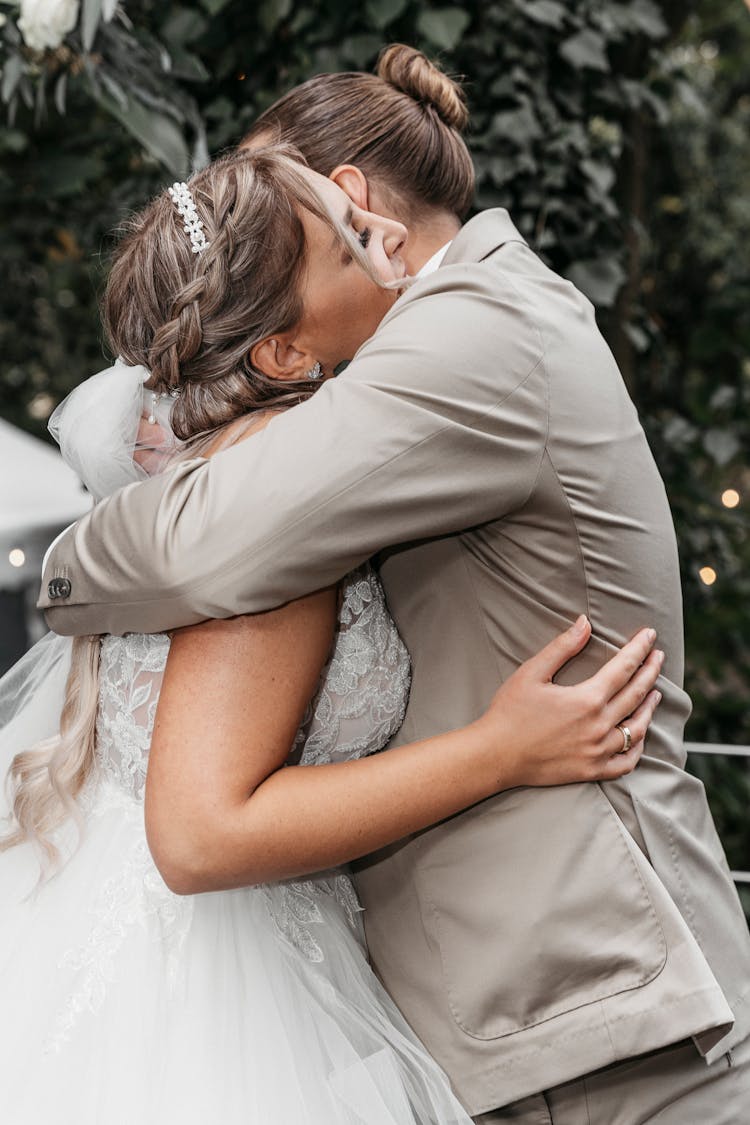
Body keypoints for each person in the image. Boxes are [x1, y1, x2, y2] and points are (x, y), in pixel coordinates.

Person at [39, 44, 750, 1123]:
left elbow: (216, 545)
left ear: (355, 204)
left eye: (268, 206)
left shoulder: (469, 334)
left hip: (597, 996)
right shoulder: (371, 390)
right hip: (502, 1007)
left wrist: (62, 566)